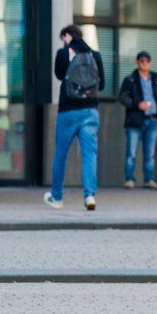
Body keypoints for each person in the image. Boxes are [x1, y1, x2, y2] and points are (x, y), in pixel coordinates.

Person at [46, 25, 104, 210]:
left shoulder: (64, 53)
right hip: (90, 111)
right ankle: (89, 196)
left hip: (68, 111)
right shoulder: (95, 55)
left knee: (61, 155)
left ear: (66, 36)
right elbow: (101, 85)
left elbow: (58, 74)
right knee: (89, 155)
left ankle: (57, 198)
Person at [117, 51, 157, 189]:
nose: (145, 63)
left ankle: (149, 179)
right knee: (131, 153)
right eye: (142, 60)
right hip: (135, 120)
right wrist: (137, 104)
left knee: (149, 154)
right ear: (137, 62)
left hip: (153, 120)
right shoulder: (130, 79)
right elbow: (123, 97)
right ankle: (130, 179)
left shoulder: (156, 79)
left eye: (147, 60)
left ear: (150, 63)